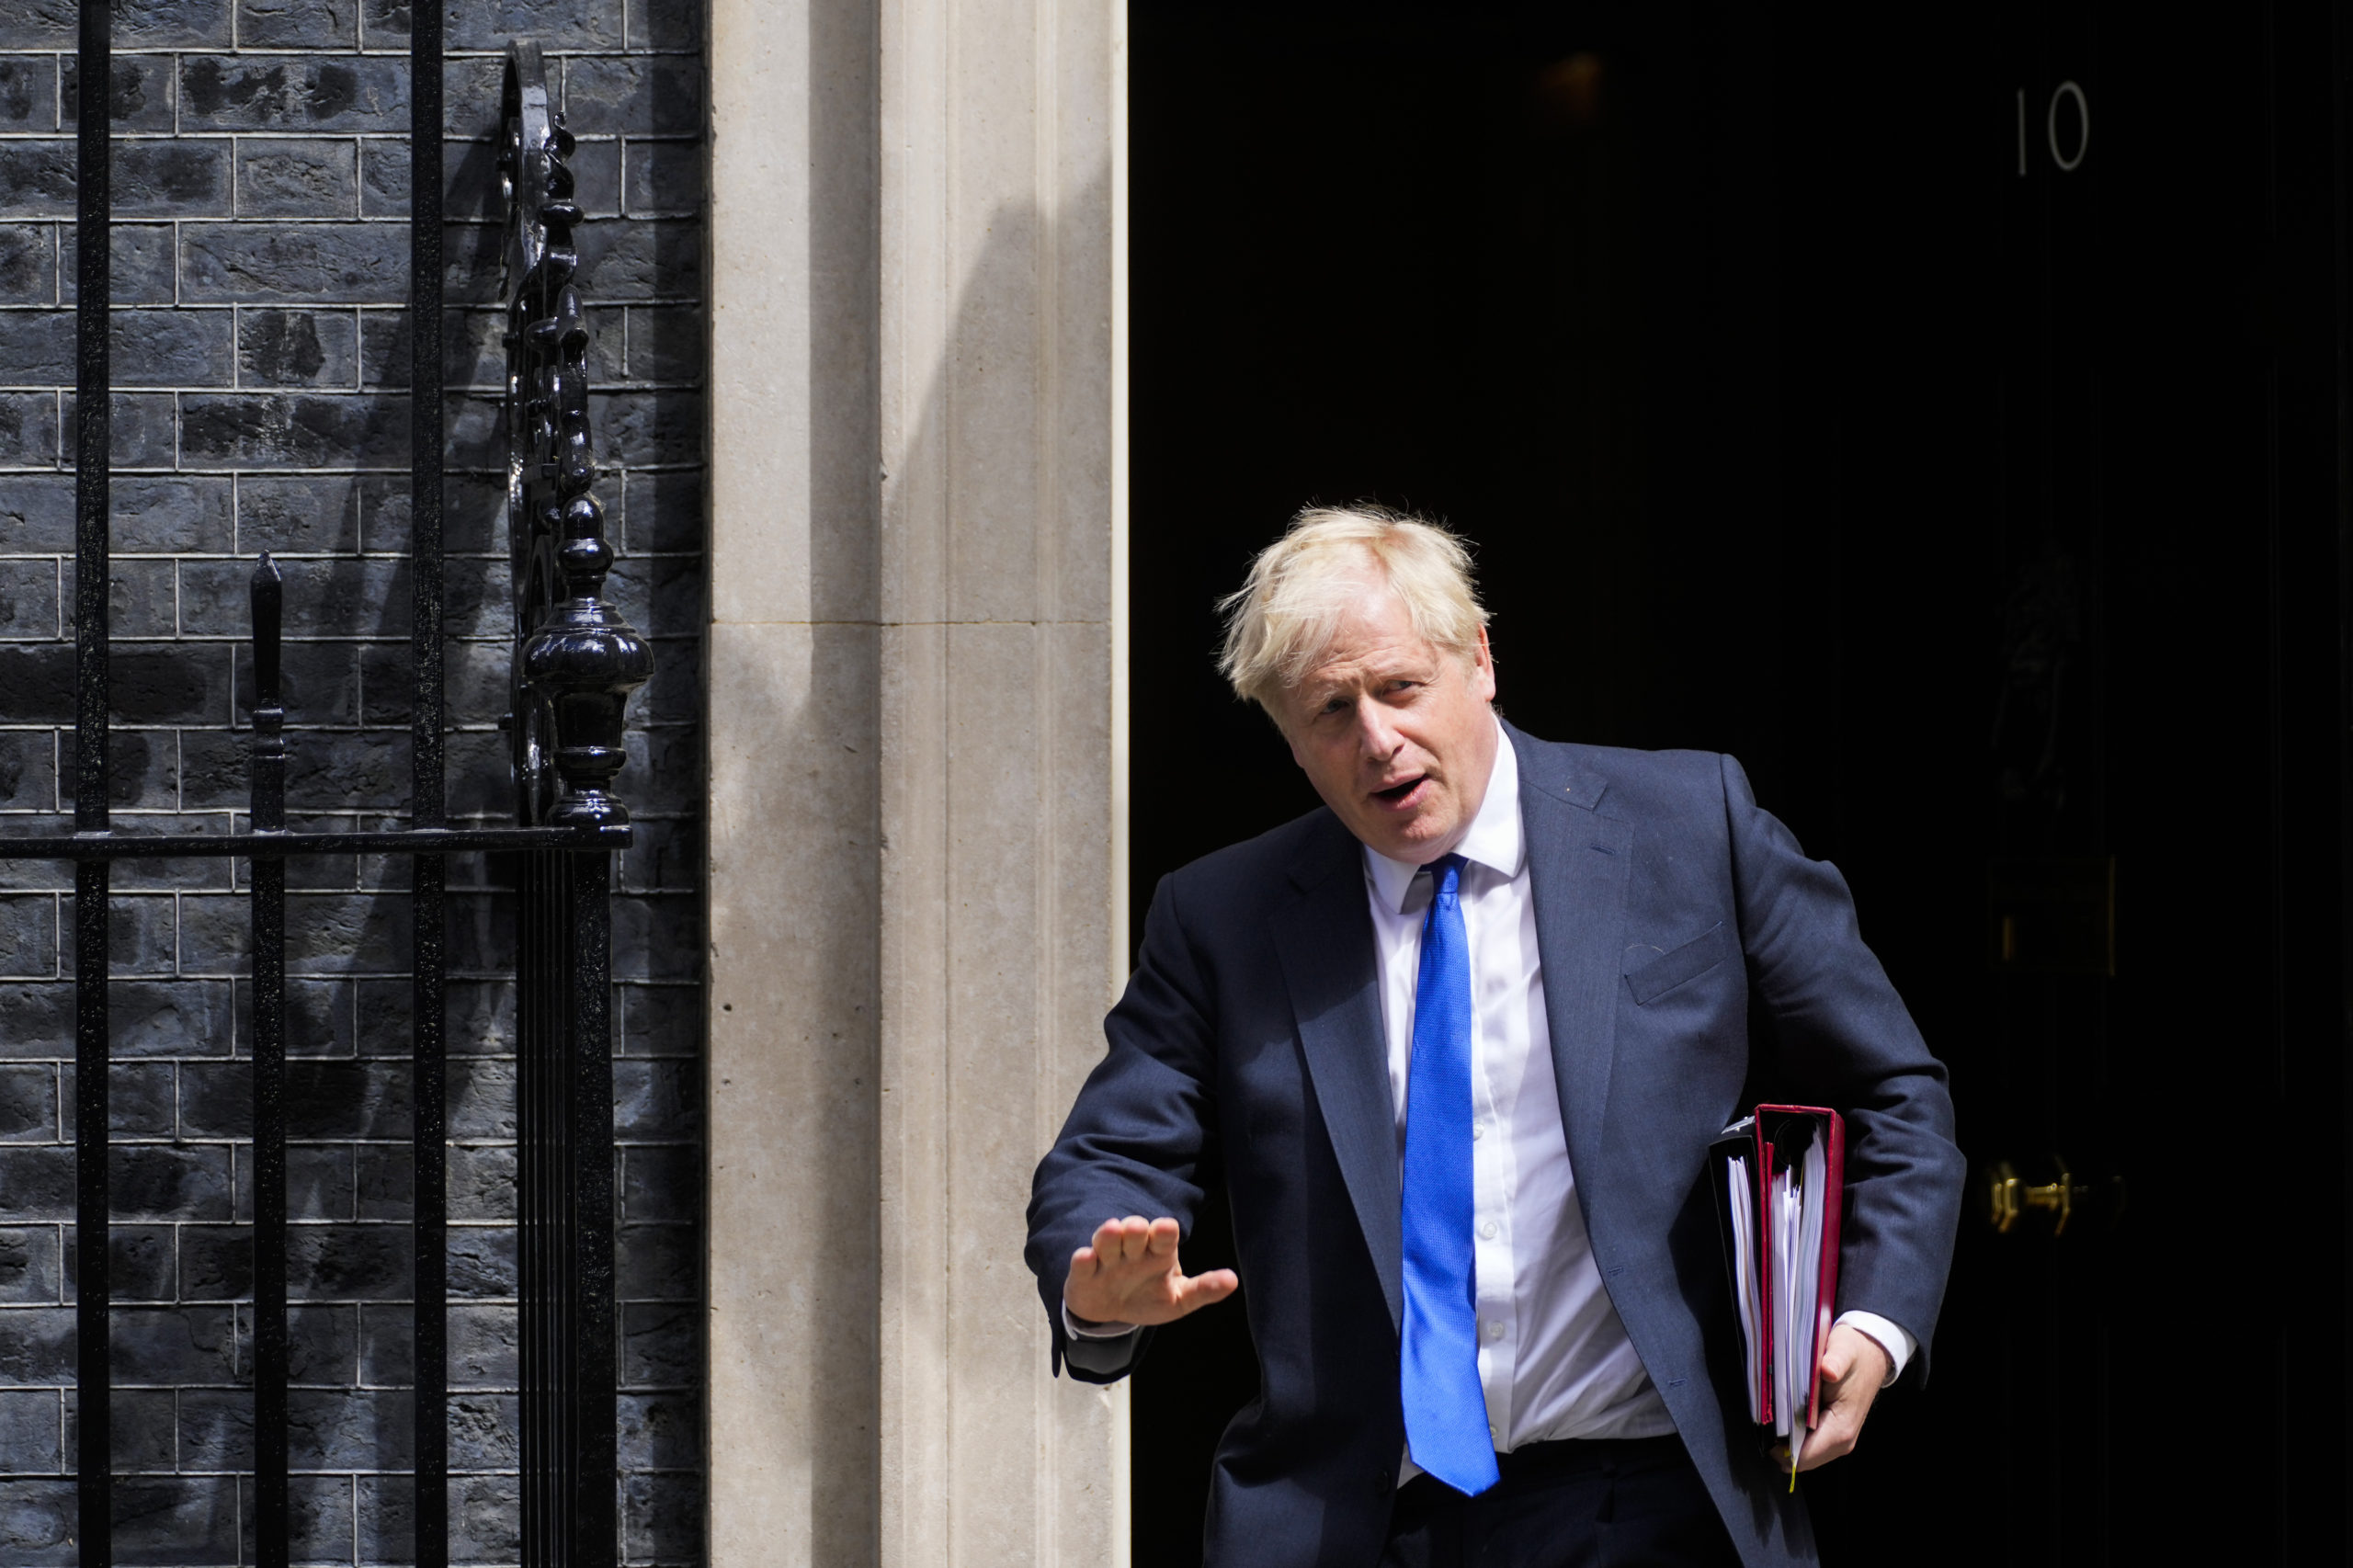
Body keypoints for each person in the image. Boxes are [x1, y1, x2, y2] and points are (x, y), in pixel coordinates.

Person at [1026, 507, 1964, 1568]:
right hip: (1357, 1517)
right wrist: (1093, 1285)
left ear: (1478, 656)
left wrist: (1873, 1324)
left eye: (1399, 687)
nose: (1375, 738)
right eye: (1329, 710)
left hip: (1653, 1499)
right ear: (1288, 739)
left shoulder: (1690, 824)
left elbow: (1896, 1094)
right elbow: (1108, 1151)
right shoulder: (1223, 917)